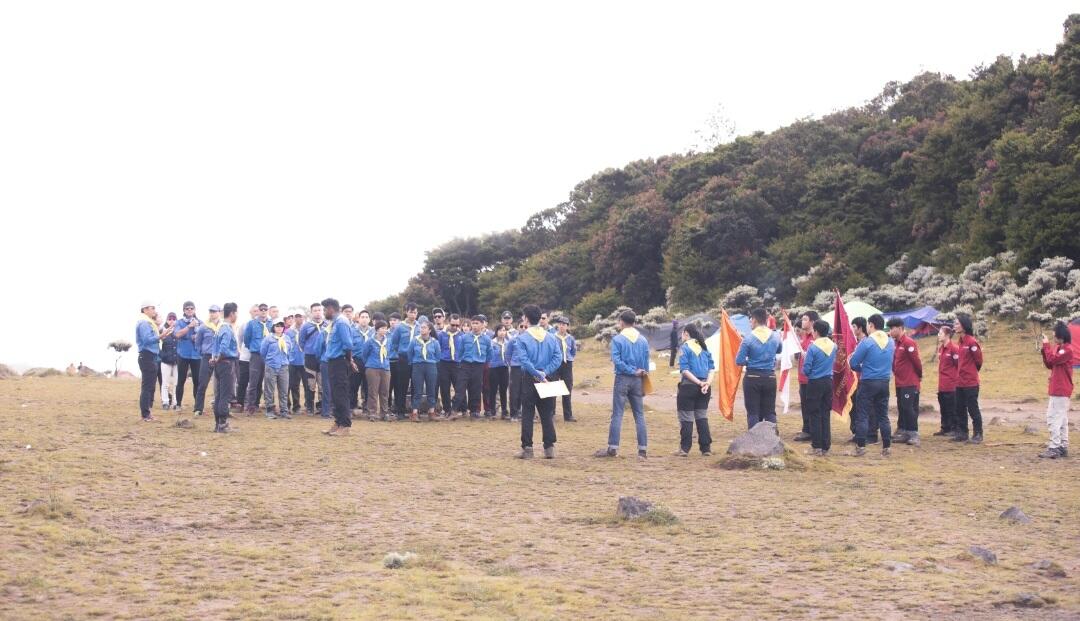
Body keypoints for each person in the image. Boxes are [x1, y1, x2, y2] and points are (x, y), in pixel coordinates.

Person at [595, 310, 652, 459]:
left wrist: (631, 371)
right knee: (639, 414)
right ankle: (642, 450)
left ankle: (613, 448)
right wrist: (641, 374)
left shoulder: (618, 339)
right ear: (635, 322)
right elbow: (646, 363)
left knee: (618, 414)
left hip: (623, 378)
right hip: (639, 379)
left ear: (621, 322)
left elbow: (617, 361)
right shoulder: (643, 340)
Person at [515, 304, 563, 459]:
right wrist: (545, 373)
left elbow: (524, 360)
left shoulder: (522, 338)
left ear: (526, 318)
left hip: (530, 377)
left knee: (528, 413)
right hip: (548, 378)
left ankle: (527, 448)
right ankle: (549, 447)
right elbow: (558, 358)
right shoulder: (551, 336)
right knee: (546, 413)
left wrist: (536, 373)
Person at [849, 313, 894, 457]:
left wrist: (863, 369)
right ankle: (886, 446)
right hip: (884, 381)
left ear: (871, 325)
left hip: (868, 381)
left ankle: (861, 446)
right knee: (883, 415)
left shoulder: (867, 342)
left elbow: (853, 362)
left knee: (862, 414)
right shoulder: (890, 341)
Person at [734, 308, 782, 429]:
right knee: (770, 412)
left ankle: (754, 442)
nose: (750, 324)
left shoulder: (748, 338)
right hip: (770, 377)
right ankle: (773, 440)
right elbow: (779, 350)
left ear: (754, 320)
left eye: (750, 321)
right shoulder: (776, 335)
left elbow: (739, 360)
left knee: (753, 412)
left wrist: (750, 361)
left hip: (752, 377)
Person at [675, 323, 714, 457]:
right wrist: (706, 384)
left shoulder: (685, 348)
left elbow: (685, 370)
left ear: (686, 334)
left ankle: (685, 448)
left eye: (682, 333)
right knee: (702, 417)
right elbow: (712, 369)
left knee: (686, 418)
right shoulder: (704, 348)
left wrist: (698, 382)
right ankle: (706, 448)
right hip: (705, 388)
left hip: (689, 387)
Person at [801, 319, 836, 456]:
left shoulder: (813, 347)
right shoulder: (833, 346)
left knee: (814, 414)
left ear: (816, 331)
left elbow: (806, 370)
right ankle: (826, 445)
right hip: (828, 381)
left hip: (815, 382)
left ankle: (817, 446)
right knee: (825, 414)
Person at [1039, 322, 1073, 459]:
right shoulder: (1060, 348)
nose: (1053, 337)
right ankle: (1063, 446)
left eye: (1055, 334)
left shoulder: (1067, 350)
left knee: (1053, 417)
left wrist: (1046, 345)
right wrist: (1044, 349)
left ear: (1061, 336)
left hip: (1060, 389)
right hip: (1058, 388)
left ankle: (1054, 446)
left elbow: (1053, 360)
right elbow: (1049, 364)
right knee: (1062, 419)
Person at [320, 297, 354, 436]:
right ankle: (338, 422)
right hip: (333, 362)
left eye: (324, 309)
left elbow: (348, 344)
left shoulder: (341, 322)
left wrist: (349, 361)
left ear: (331, 309)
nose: (323, 312)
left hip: (340, 361)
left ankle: (345, 425)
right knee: (335, 394)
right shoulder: (335, 323)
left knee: (341, 393)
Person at [888, 317, 923, 446]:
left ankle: (913, 433)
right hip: (900, 382)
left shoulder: (908, 342)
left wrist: (918, 376)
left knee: (909, 408)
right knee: (902, 407)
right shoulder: (896, 343)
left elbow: (916, 362)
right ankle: (903, 431)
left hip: (910, 382)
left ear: (899, 328)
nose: (890, 331)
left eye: (892, 329)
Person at [136, 301, 170, 421]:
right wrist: (160, 336)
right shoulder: (145, 323)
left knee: (149, 386)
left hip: (150, 356)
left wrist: (162, 335)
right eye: (152, 308)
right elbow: (146, 340)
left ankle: (146, 412)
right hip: (147, 356)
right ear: (145, 310)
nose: (154, 311)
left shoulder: (149, 323)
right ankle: (145, 414)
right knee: (147, 386)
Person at [953, 314, 984, 444]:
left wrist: (970, 372)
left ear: (964, 325)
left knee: (972, 408)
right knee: (959, 407)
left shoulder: (971, 341)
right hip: (959, 381)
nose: (954, 325)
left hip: (970, 382)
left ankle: (978, 434)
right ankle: (962, 433)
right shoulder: (960, 342)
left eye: (957, 323)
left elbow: (979, 361)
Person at [210, 302, 240, 433]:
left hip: (218, 364)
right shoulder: (227, 329)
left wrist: (215, 358)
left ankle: (217, 424)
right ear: (232, 313)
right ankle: (223, 424)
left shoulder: (219, 328)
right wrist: (219, 357)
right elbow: (224, 347)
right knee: (225, 395)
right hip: (226, 363)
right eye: (236, 312)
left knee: (219, 395)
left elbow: (215, 347)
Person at [792, 311, 819, 442]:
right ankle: (807, 428)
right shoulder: (805, 337)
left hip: (811, 378)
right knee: (805, 405)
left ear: (812, 322)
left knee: (811, 405)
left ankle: (810, 430)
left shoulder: (814, 338)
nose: (802, 321)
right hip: (803, 378)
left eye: (805, 319)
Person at [457, 315, 490, 418]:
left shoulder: (486, 339)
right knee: (461, 387)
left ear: (482, 325)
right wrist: (462, 362)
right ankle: (454, 409)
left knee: (475, 388)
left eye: (477, 323)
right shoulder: (464, 337)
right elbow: (460, 351)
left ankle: (474, 410)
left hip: (479, 364)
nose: (474, 326)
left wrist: (483, 361)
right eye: (473, 323)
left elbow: (490, 353)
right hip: (466, 363)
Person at [193, 304, 223, 416]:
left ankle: (220, 407)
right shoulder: (203, 327)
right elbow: (197, 343)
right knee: (202, 383)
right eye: (211, 311)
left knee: (221, 383)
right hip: (207, 356)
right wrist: (203, 353)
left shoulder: (223, 326)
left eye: (215, 311)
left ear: (219, 312)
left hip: (220, 357)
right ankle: (198, 408)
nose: (212, 314)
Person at [172, 301, 202, 411]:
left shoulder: (200, 323)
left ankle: (198, 406)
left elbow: (204, 337)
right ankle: (178, 404)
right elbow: (177, 334)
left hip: (196, 355)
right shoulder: (179, 322)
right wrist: (189, 326)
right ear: (184, 310)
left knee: (197, 381)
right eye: (187, 308)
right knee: (181, 380)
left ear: (194, 310)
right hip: (183, 354)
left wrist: (197, 337)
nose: (189, 310)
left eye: (191, 308)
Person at [260, 319, 292, 419]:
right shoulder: (268, 338)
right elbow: (263, 352)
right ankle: (269, 410)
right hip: (271, 366)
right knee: (269, 390)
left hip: (283, 366)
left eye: (281, 326)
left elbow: (289, 350)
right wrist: (270, 361)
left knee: (284, 390)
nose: (279, 328)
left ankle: (284, 410)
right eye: (277, 326)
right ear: (273, 327)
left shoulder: (286, 338)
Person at [410, 321, 441, 422]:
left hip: (431, 366)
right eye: (421, 327)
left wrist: (430, 362)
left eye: (424, 327)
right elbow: (409, 354)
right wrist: (415, 362)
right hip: (418, 366)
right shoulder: (414, 341)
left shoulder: (434, 342)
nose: (422, 329)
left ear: (430, 330)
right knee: (417, 390)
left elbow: (438, 356)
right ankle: (414, 412)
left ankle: (431, 411)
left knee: (431, 389)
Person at [242, 303, 270, 414]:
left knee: (264, 381)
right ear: (257, 311)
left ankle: (259, 404)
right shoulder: (251, 324)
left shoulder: (272, 323)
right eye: (261, 309)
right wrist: (254, 348)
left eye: (265, 309)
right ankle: (250, 406)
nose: (263, 311)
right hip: (256, 355)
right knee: (253, 381)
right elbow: (246, 339)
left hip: (268, 356)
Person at [362, 320, 392, 420]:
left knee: (385, 392)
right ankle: (372, 413)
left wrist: (385, 363)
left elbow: (390, 353)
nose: (384, 330)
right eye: (382, 328)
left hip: (385, 368)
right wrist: (370, 364)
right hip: (372, 368)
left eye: (385, 328)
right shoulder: (370, 341)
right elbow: (364, 354)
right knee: (373, 391)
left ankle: (384, 412)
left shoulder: (388, 341)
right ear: (377, 329)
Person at [299, 303, 326, 416]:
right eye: (315, 310)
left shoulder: (328, 325)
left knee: (322, 383)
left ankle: (321, 406)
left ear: (322, 311)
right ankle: (309, 407)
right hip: (310, 358)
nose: (317, 312)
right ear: (311, 312)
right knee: (310, 383)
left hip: (323, 358)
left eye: (319, 310)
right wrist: (309, 350)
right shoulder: (306, 326)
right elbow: (301, 341)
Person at [934, 326, 960, 437]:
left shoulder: (954, 348)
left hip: (951, 384)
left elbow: (958, 365)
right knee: (943, 407)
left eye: (941, 333)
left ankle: (954, 428)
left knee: (952, 408)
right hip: (942, 384)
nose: (938, 335)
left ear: (947, 335)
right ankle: (945, 427)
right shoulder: (941, 349)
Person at [848, 317, 869, 443]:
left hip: (863, 379)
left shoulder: (866, 342)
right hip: (852, 380)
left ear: (860, 328)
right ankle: (856, 431)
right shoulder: (854, 343)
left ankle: (866, 433)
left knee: (862, 408)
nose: (852, 329)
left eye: (854, 327)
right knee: (853, 407)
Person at [437, 314, 463, 417]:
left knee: (459, 387)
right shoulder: (441, 334)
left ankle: (457, 408)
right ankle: (447, 409)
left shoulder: (461, 335)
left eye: (457, 325)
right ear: (448, 322)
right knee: (444, 387)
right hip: (444, 363)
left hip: (457, 363)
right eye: (453, 325)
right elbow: (438, 348)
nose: (455, 327)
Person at [553, 316, 578, 422]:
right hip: (555, 364)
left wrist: (569, 359)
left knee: (567, 389)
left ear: (567, 326)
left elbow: (573, 351)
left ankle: (568, 415)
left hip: (567, 364)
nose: (562, 326)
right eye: (560, 324)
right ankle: (551, 413)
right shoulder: (553, 337)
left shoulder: (570, 338)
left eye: (564, 324)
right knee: (553, 389)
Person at [487, 325, 511, 419]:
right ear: (496, 332)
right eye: (500, 330)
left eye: (504, 330)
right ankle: (492, 411)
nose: (502, 332)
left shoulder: (508, 343)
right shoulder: (491, 343)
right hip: (493, 368)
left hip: (504, 368)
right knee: (493, 390)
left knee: (503, 390)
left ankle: (504, 411)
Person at [235, 305, 257, 409]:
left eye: (258, 311)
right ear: (250, 312)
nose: (257, 313)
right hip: (245, 357)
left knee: (256, 382)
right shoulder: (245, 324)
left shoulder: (263, 325)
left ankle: (254, 404)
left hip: (257, 358)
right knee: (243, 381)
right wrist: (241, 350)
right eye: (255, 311)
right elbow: (240, 339)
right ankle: (240, 402)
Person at [352, 310, 373, 415]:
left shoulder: (373, 332)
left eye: (366, 317)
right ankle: (352, 406)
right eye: (362, 317)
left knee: (367, 385)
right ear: (358, 319)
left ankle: (367, 407)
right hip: (356, 361)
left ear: (369, 319)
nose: (364, 319)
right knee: (353, 385)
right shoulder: (352, 331)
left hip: (370, 361)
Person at [285, 313, 306, 414]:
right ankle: (292, 406)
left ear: (304, 318)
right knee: (292, 384)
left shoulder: (307, 329)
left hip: (305, 361)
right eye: (296, 317)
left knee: (307, 385)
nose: (298, 319)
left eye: (300, 316)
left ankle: (307, 406)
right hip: (292, 361)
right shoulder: (289, 332)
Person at [506, 320, 526, 421]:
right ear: (517, 327)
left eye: (525, 327)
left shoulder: (532, 340)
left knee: (525, 391)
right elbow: (508, 354)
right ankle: (513, 414)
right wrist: (512, 364)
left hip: (527, 368)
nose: (523, 328)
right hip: (516, 367)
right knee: (514, 391)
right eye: (521, 326)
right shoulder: (513, 340)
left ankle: (523, 412)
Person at [159, 312, 179, 410]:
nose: (171, 321)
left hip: (177, 361)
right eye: (170, 319)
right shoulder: (162, 329)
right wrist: (161, 354)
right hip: (165, 360)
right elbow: (156, 341)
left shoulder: (179, 330)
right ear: (167, 320)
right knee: (165, 383)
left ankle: (175, 402)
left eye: (174, 319)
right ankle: (165, 402)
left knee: (175, 383)